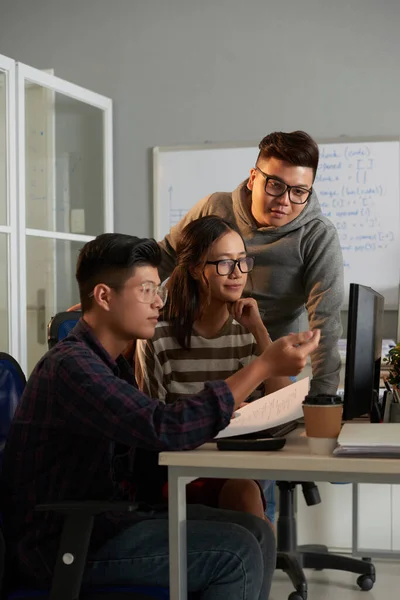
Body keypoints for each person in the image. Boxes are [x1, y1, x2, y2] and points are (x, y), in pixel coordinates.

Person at [1, 233, 320, 599]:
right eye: (147, 290)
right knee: (237, 551)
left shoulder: (108, 365)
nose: (158, 303)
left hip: (107, 522)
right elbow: (161, 426)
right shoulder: (72, 367)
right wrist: (263, 367)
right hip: (65, 545)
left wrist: (225, 423)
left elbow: (148, 430)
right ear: (104, 296)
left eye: (159, 291)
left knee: (256, 531)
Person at [158, 130, 344, 397]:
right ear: (253, 178)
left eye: (299, 191)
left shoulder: (318, 234)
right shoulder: (215, 207)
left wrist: (323, 399)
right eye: (275, 185)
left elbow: (325, 323)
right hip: (204, 347)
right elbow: (164, 256)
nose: (285, 201)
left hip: (273, 354)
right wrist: (120, 297)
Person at [136, 215, 291, 524]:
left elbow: (284, 409)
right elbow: (153, 427)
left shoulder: (247, 330)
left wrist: (260, 332)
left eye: (242, 262)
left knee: (246, 491)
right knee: (246, 496)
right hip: (180, 472)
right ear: (195, 269)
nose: (237, 274)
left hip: (235, 467)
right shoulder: (158, 334)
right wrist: (223, 415)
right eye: (223, 263)